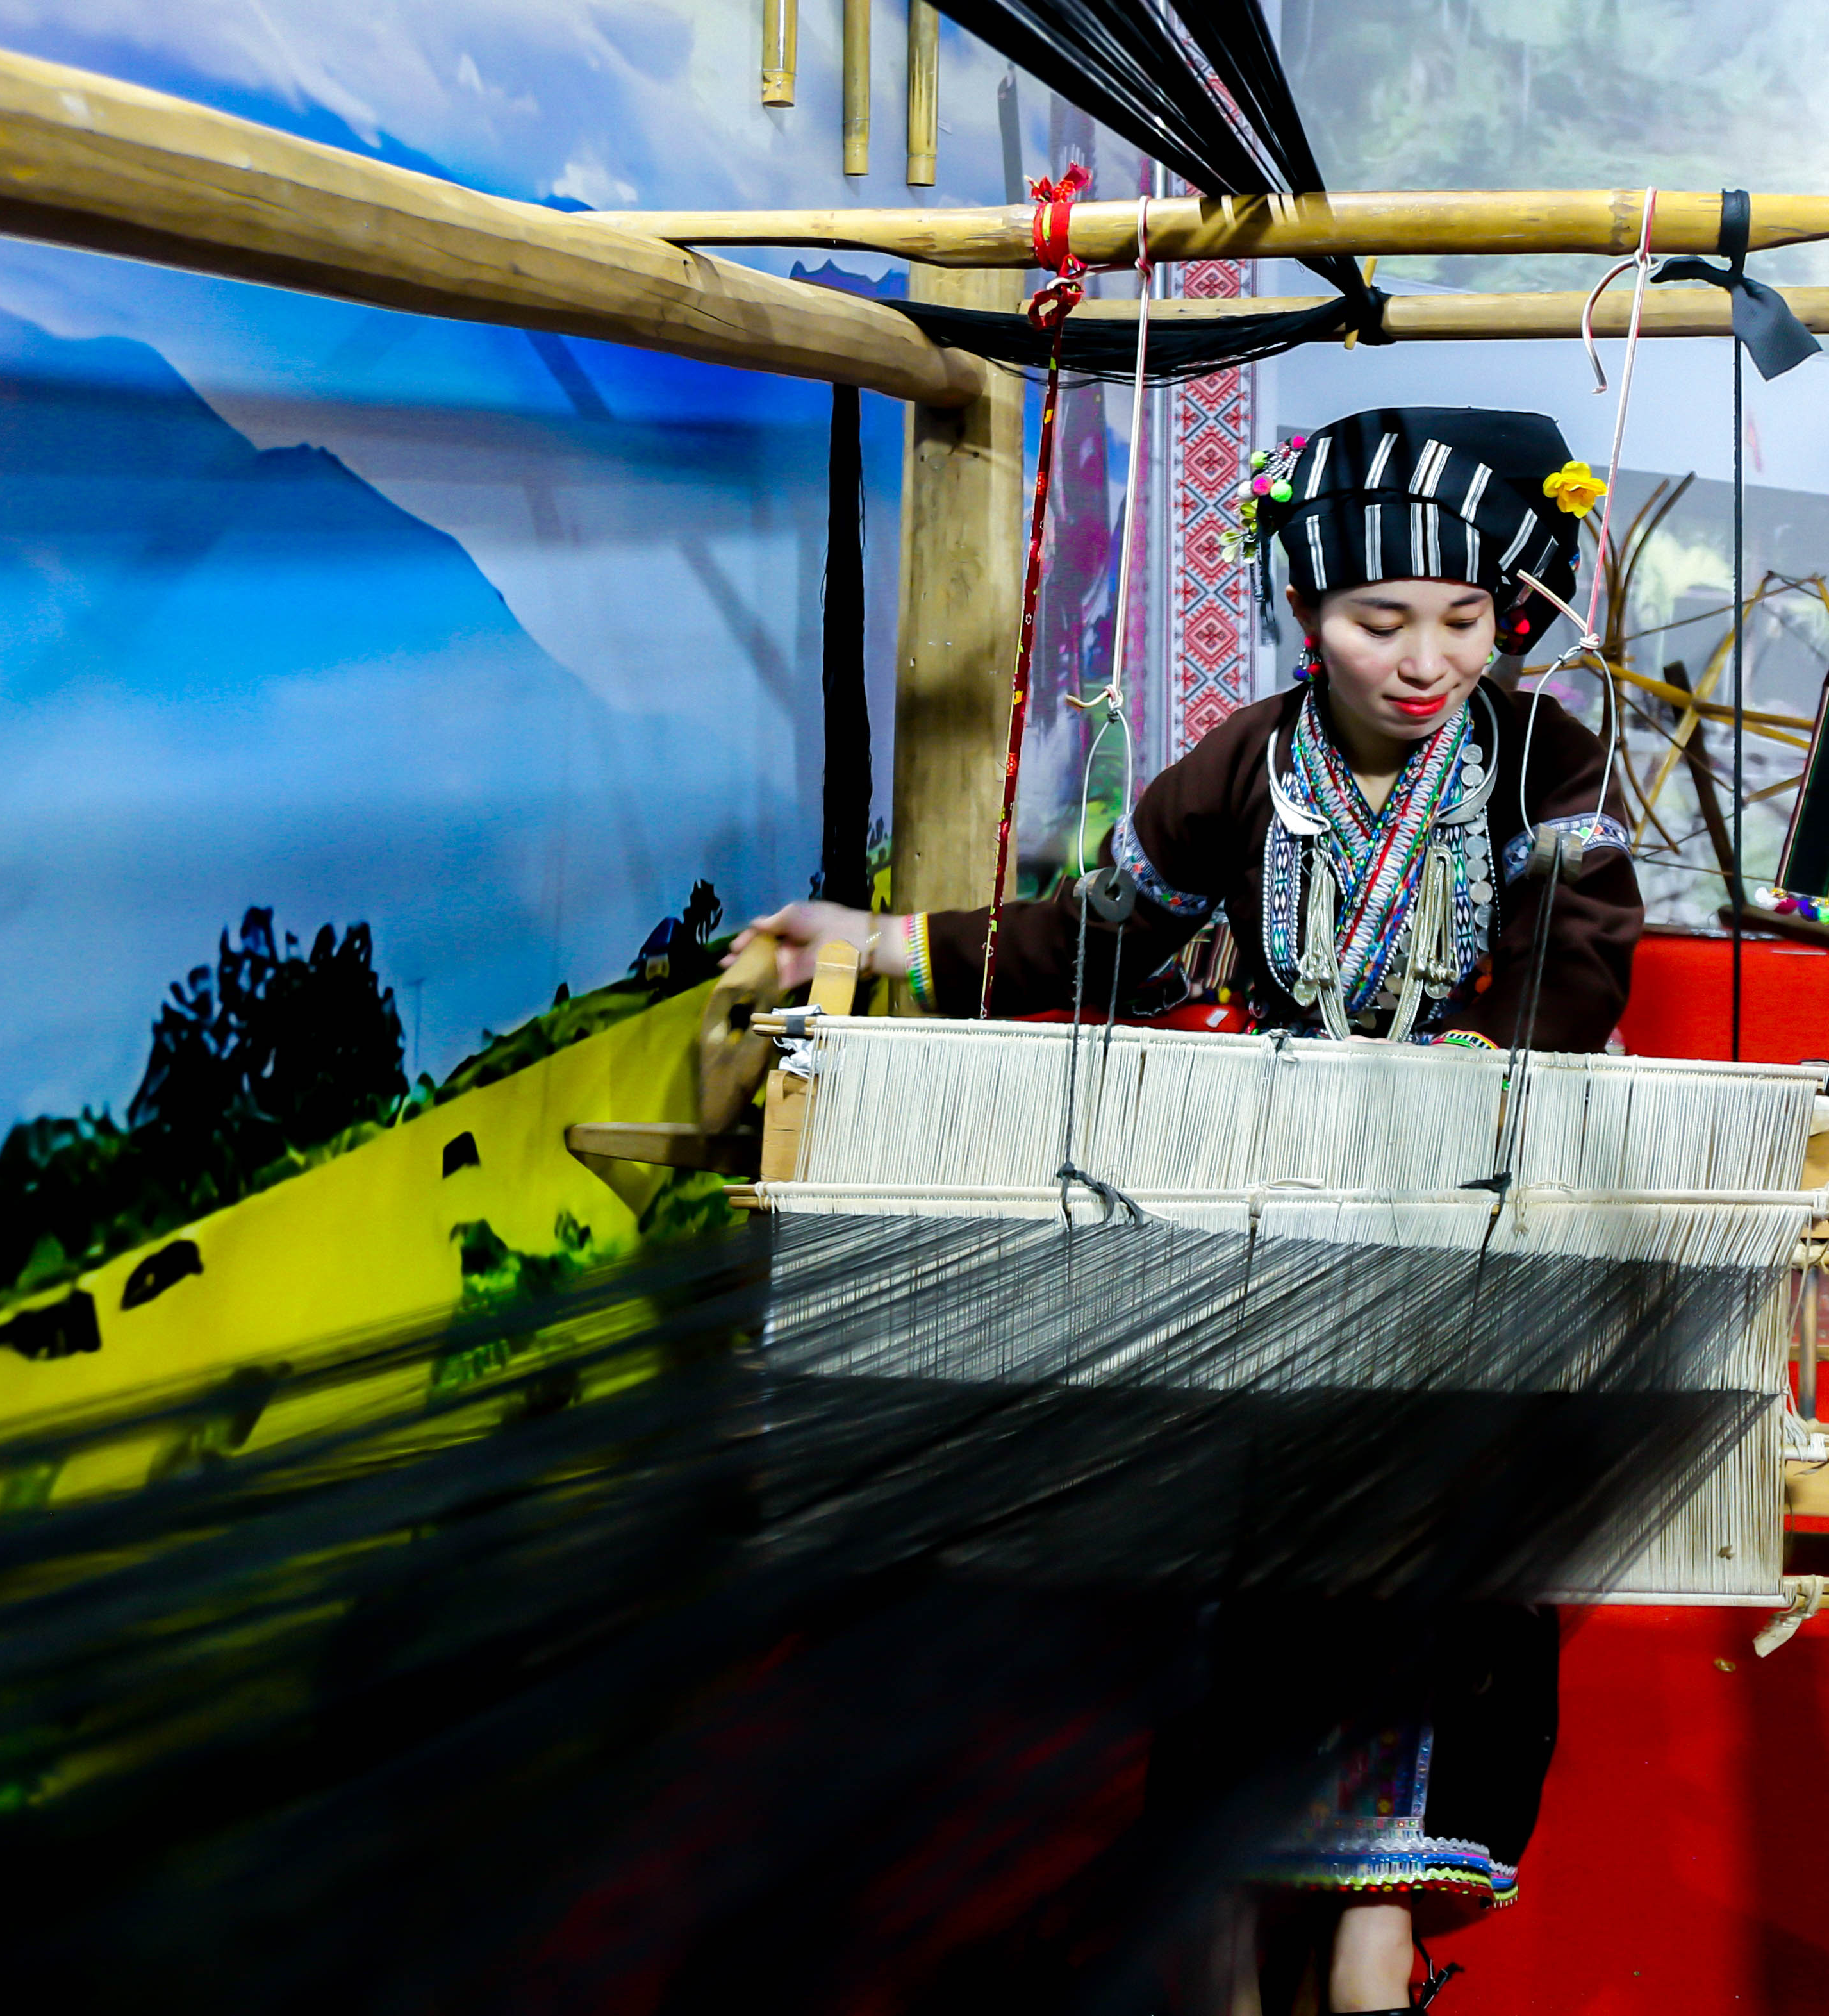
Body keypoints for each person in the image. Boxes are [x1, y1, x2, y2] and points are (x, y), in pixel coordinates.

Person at [738, 406, 1642, 2013]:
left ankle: (1375, 1918)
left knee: (1429, 1554)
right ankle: (1232, 1909)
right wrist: (877, 945)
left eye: (1462, 621)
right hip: (1274, 1203)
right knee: (1236, 1560)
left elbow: (1574, 968)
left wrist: (1464, 1103)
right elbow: (1098, 938)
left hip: (1468, 1215)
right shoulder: (1245, 763)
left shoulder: (1541, 757)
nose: (1424, 659)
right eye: (1378, 621)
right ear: (1307, 619)